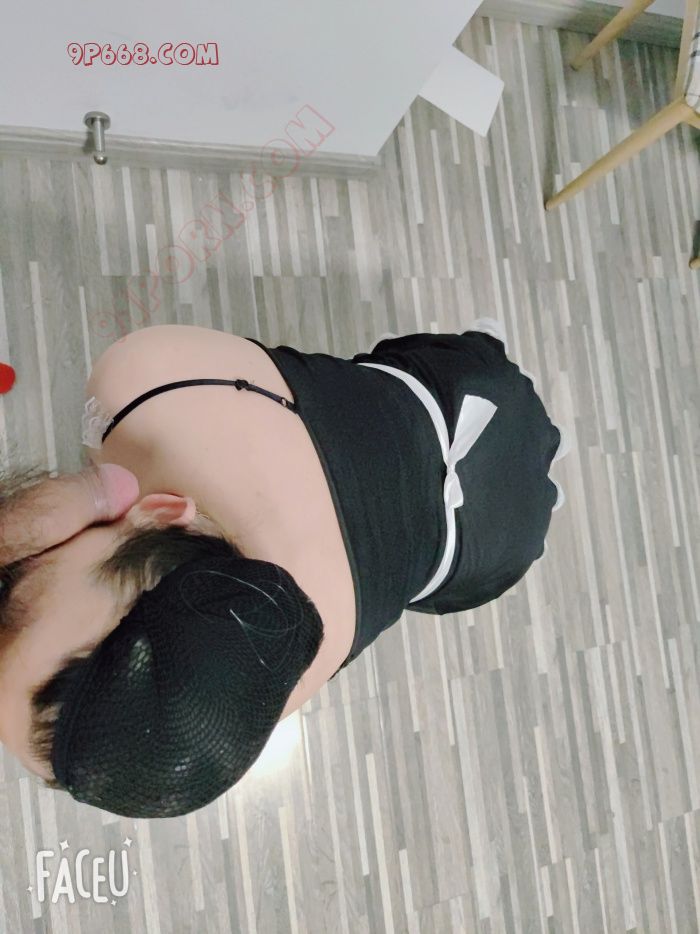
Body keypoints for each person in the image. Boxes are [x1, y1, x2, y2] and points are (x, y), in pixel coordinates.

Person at [0, 319, 568, 818]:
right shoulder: (142, 388)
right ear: (163, 513)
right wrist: (77, 494)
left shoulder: (262, 679)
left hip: (488, 548)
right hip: (458, 385)